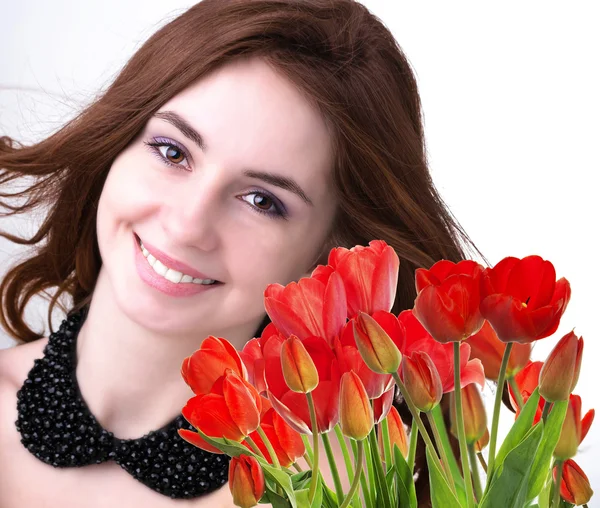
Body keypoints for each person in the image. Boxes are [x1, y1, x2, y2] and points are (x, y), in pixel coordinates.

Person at [0, 0, 482, 506]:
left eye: (262, 201)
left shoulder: (340, 492)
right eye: (172, 152)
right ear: (118, 140)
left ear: (329, 251)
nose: (187, 225)